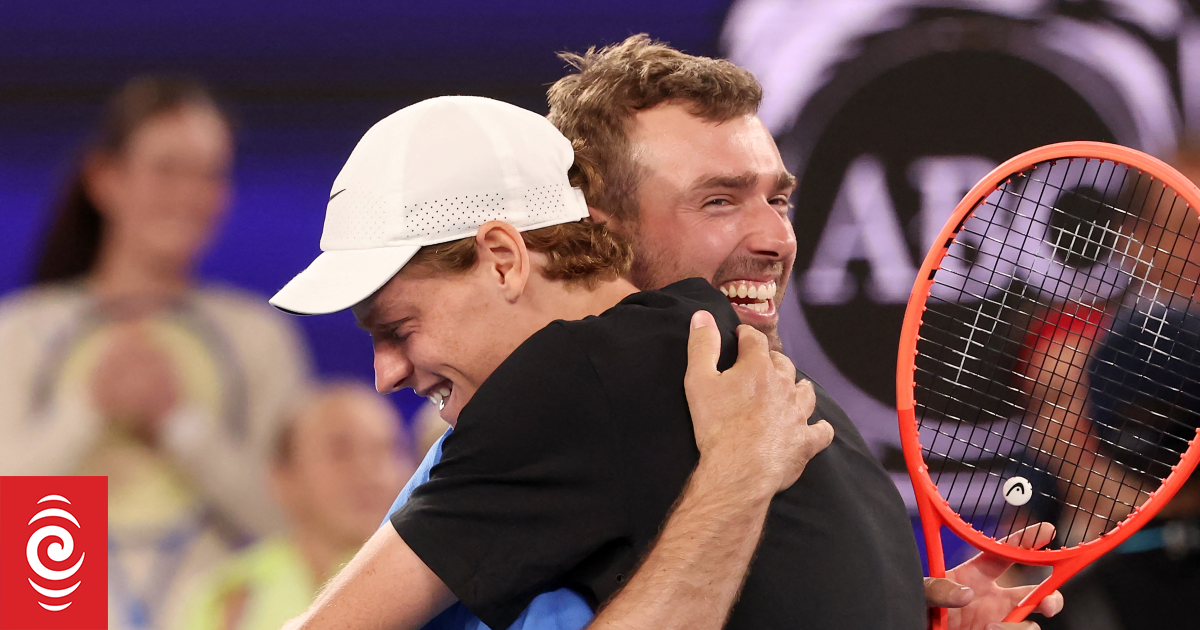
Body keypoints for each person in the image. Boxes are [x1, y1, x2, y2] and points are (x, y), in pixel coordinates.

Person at [273, 89, 1054, 630]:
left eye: (398, 327)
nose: (385, 373)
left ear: (505, 258)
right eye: (719, 199)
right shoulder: (797, 395)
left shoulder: (562, 385)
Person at [0, 75, 313, 630]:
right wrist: (88, 409)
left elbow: (296, 522)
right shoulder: (24, 329)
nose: (190, 195)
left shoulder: (256, 336)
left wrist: (180, 424)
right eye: (167, 169)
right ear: (105, 179)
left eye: (210, 174)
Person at [175, 381, 416, 630]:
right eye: (340, 452)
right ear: (281, 477)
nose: (370, 472)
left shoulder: (442, 582)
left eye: (387, 449)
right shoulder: (233, 602)